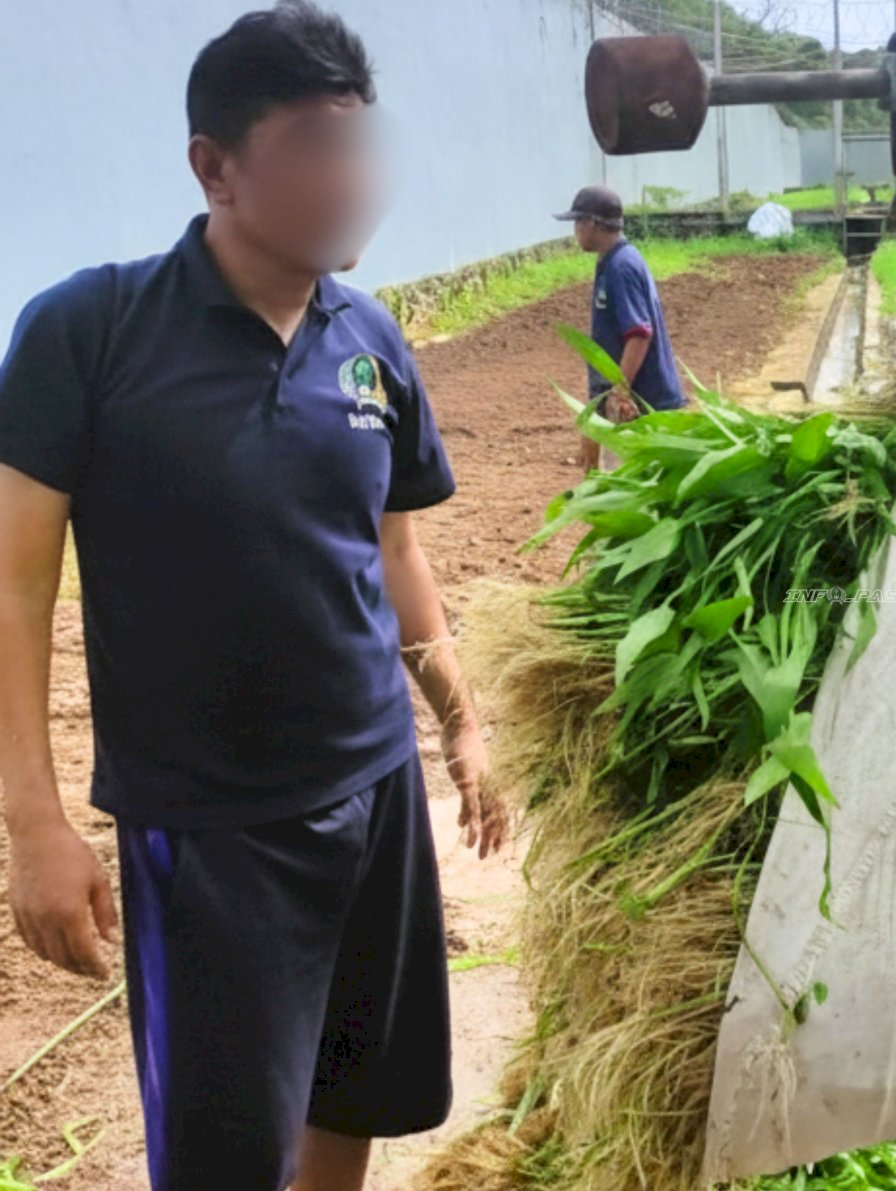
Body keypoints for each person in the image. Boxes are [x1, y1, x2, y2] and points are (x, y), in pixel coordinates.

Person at [0, 4, 508, 1189]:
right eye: (315, 151)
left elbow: (398, 558)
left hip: (375, 794)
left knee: (358, 1093)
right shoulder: (93, 329)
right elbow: (16, 589)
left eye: (361, 149)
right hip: (212, 829)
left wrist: (461, 721)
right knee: (225, 1155)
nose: (353, 182)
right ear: (215, 167)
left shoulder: (372, 341)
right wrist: (31, 823)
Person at [553, 185, 687, 471]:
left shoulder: (621, 267)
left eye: (578, 222)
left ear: (593, 223)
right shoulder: (612, 261)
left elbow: (639, 334)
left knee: (625, 484)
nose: (575, 229)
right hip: (625, 398)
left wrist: (620, 391)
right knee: (605, 475)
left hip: (643, 403)